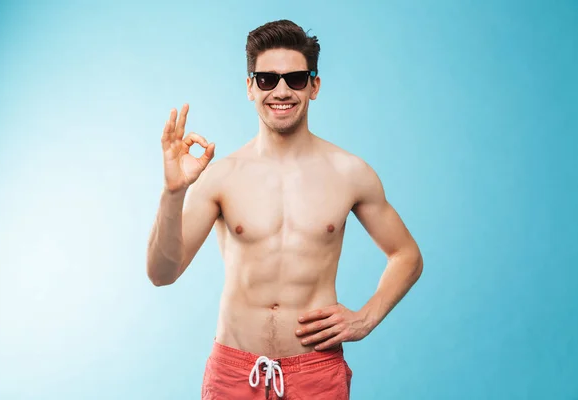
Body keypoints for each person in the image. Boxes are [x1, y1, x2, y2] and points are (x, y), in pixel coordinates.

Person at [146, 19, 423, 400]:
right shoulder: (222, 177)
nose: (281, 91)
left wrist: (365, 318)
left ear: (314, 86)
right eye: (266, 80)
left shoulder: (349, 173)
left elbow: (406, 254)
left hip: (316, 372)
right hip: (233, 372)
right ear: (249, 87)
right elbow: (163, 273)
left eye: (295, 79)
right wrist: (172, 192)